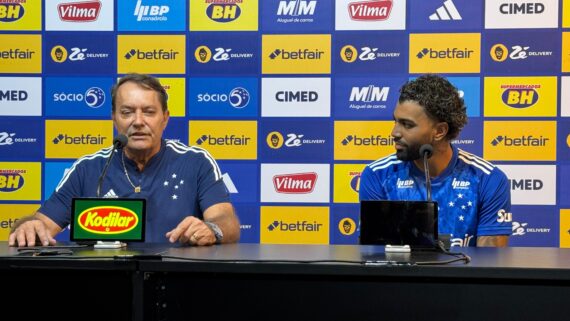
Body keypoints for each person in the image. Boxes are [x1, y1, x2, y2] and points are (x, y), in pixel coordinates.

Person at [9, 73, 240, 247]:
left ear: (165, 119)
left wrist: (211, 229)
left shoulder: (195, 162)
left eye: (148, 112)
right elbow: (41, 224)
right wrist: (29, 227)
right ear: (114, 119)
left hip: (176, 283)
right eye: (127, 112)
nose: (138, 121)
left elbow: (227, 221)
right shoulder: (89, 169)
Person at [359, 74, 511, 247]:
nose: (394, 133)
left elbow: (490, 262)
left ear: (440, 131)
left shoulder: (487, 179)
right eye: (396, 122)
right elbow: (374, 257)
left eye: (407, 125)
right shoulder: (377, 175)